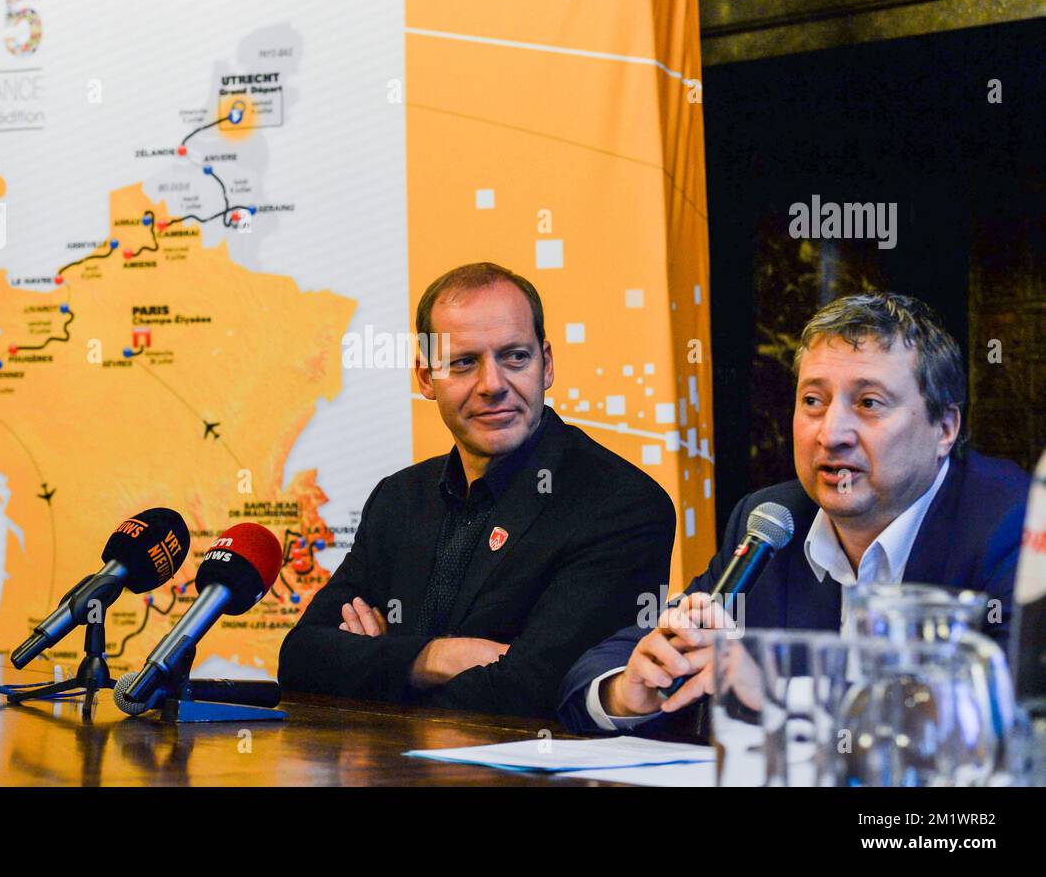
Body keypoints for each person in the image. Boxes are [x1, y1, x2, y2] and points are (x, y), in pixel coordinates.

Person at [558, 292, 1029, 736]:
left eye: (868, 403)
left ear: (944, 428)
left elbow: (1012, 711)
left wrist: (782, 695)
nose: (832, 433)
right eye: (813, 402)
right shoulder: (772, 520)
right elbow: (601, 666)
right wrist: (630, 687)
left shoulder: (1016, 527)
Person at [278, 262, 676, 717]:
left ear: (546, 365)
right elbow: (301, 660)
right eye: (464, 363)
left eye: (514, 357)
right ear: (426, 378)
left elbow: (535, 691)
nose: (493, 385)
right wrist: (442, 657)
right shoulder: (398, 499)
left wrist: (374, 666)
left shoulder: (620, 504)